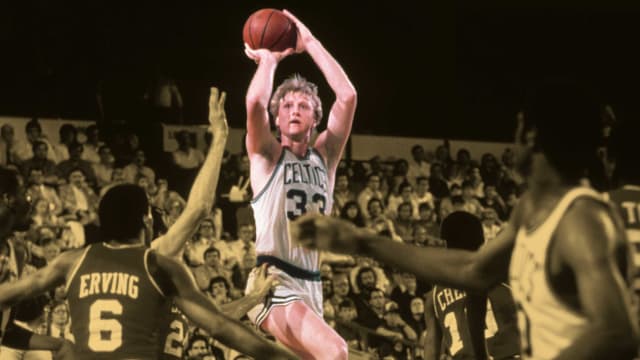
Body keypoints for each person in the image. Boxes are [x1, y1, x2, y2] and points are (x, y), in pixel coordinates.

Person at [293, 78, 639, 359]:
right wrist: (360, 241)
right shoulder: (531, 212)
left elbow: (615, 331)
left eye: (516, 130)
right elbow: (472, 271)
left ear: (531, 136)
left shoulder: (581, 218)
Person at [243, 8, 357, 359]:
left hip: (311, 283)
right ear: (276, 118)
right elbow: (254, 101)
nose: (294, 109)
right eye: (287, 105)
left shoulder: (326, 156)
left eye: (304, 105)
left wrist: (310, 43)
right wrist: (269, 59)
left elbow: (348, 97)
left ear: (315, 119)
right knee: (337, 351)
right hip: (273, 280)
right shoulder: (266, 155)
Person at [424, 211, 519, 360]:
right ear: (480, 241)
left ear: (446, 244)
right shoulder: (500, 273)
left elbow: (431, 347)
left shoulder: (434, 296)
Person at [0, 168, 74, 359]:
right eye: (24, 193)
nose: (29, 201)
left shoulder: (16, 252)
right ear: (8, 199)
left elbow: (6, 332)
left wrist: (58, 344)